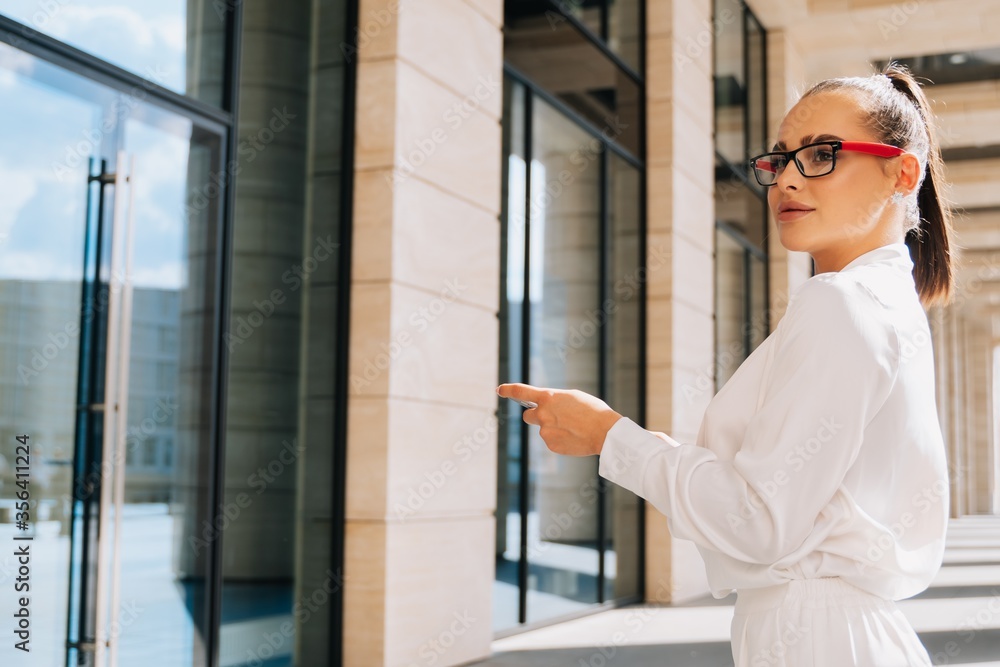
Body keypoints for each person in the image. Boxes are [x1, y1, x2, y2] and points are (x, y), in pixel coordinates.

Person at [496, 62, 953, 666]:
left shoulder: (843, 303)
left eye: (821, 155)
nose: (788, 180)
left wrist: (611, 438)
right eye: (781, 159)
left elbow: (759, 524)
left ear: (902, 172)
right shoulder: (887, 305)